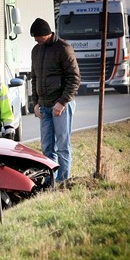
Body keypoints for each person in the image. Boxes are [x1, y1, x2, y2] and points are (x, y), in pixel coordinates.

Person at [30, 17, 80, 186]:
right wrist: (35, 103)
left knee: (62, 145)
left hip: (61, 106)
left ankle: (63, 181)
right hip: (44, 106)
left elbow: (74, 78)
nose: (36, 40)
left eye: (38, 36)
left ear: (47, 33)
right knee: (47, 147)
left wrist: (62, 102)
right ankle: (51, 181)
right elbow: (34, 78)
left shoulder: (63, 49)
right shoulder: (36, 51)